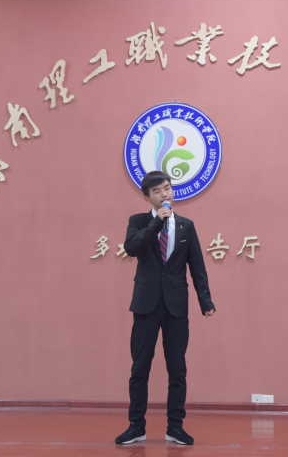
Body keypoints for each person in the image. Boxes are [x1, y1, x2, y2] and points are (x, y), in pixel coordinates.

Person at [115, 171, 216, 446]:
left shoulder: (186, 226)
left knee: (177, 369)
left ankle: (175, 427)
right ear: (147, 197)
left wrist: (205, 301)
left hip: (176, 307)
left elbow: (197, 266)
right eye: (158, 191)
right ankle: (136, 427)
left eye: (168, 188)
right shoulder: (138, 221)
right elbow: (132, 248)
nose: (165, 194)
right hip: (146, 305)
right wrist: (156, 223)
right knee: (140, 368)